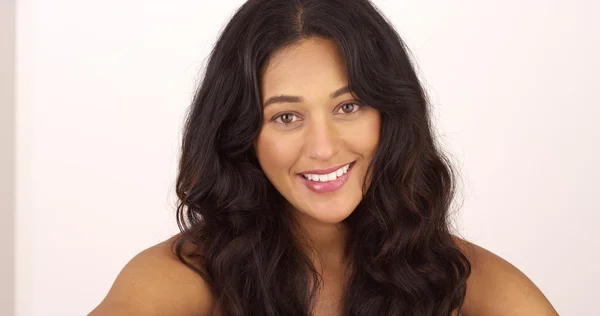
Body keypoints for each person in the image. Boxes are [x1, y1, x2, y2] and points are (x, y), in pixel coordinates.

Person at [89, 0, 559, 315]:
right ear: (241, 135)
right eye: (286, 117)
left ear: (392, 114)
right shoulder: (174, 281)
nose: (323, 147)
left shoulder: (466, 279)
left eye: (348, 107)